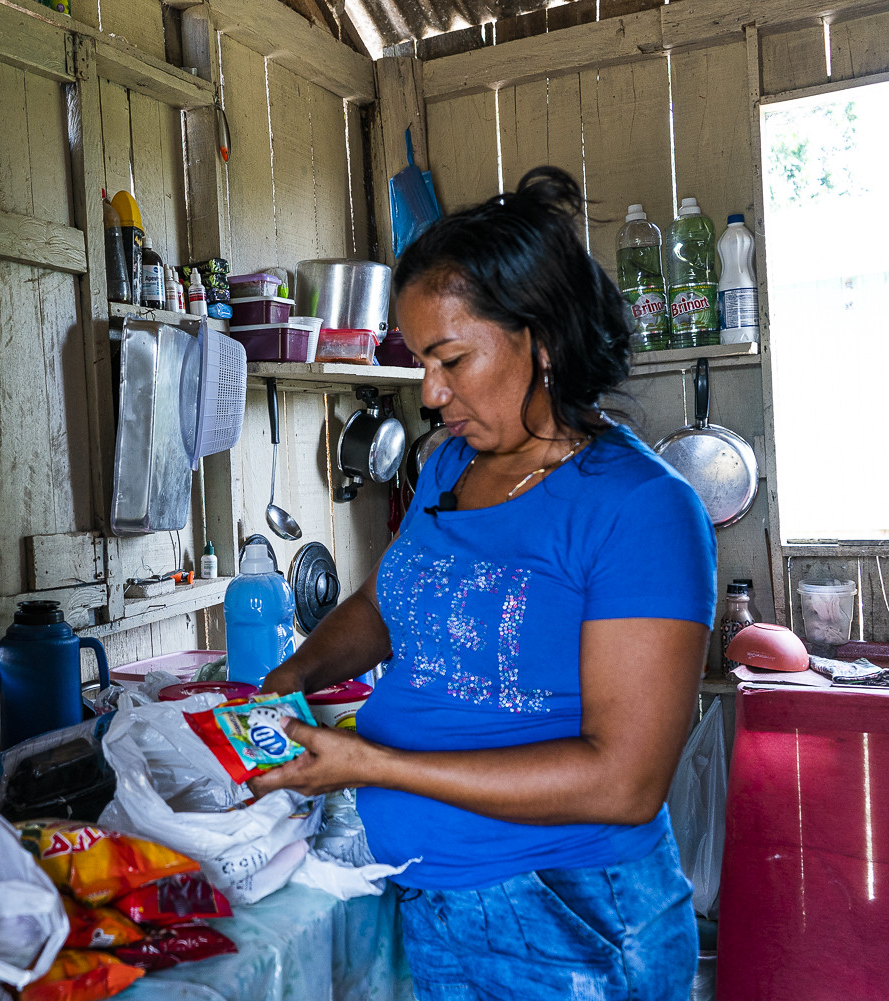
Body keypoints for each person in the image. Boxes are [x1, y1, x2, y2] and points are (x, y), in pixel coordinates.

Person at [250, 166, 717, 1001]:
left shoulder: (641, 509)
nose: (432, 394)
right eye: (422, 362)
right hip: (436, 895)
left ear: (542, 339)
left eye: (452, 359)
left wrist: (376, 763)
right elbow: (387, 602)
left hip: (570, 917)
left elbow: (623, 781)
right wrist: (293, 675)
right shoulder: (450, 468)